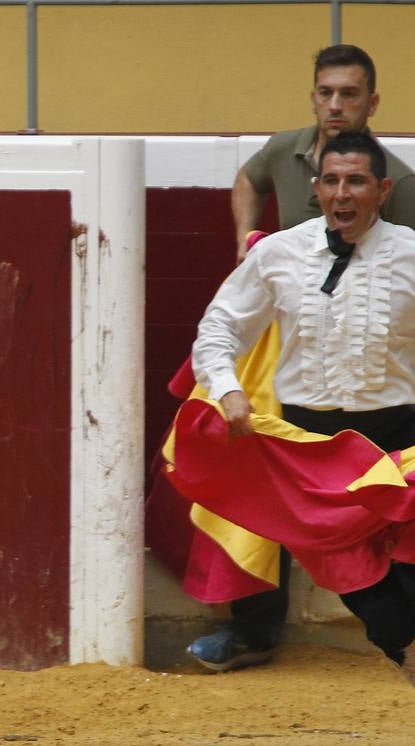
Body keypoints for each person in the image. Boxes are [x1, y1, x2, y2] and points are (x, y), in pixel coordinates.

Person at [182, 43, 415, 672]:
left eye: (357, 181)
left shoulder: (412, 252)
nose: (343, 192)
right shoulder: (279, 253)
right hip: (308, 442)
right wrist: (228, 388)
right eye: (332, 181)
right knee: (364, 588)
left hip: (399, 435)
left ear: (383, 189)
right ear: (317, 188)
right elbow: (219, 327)